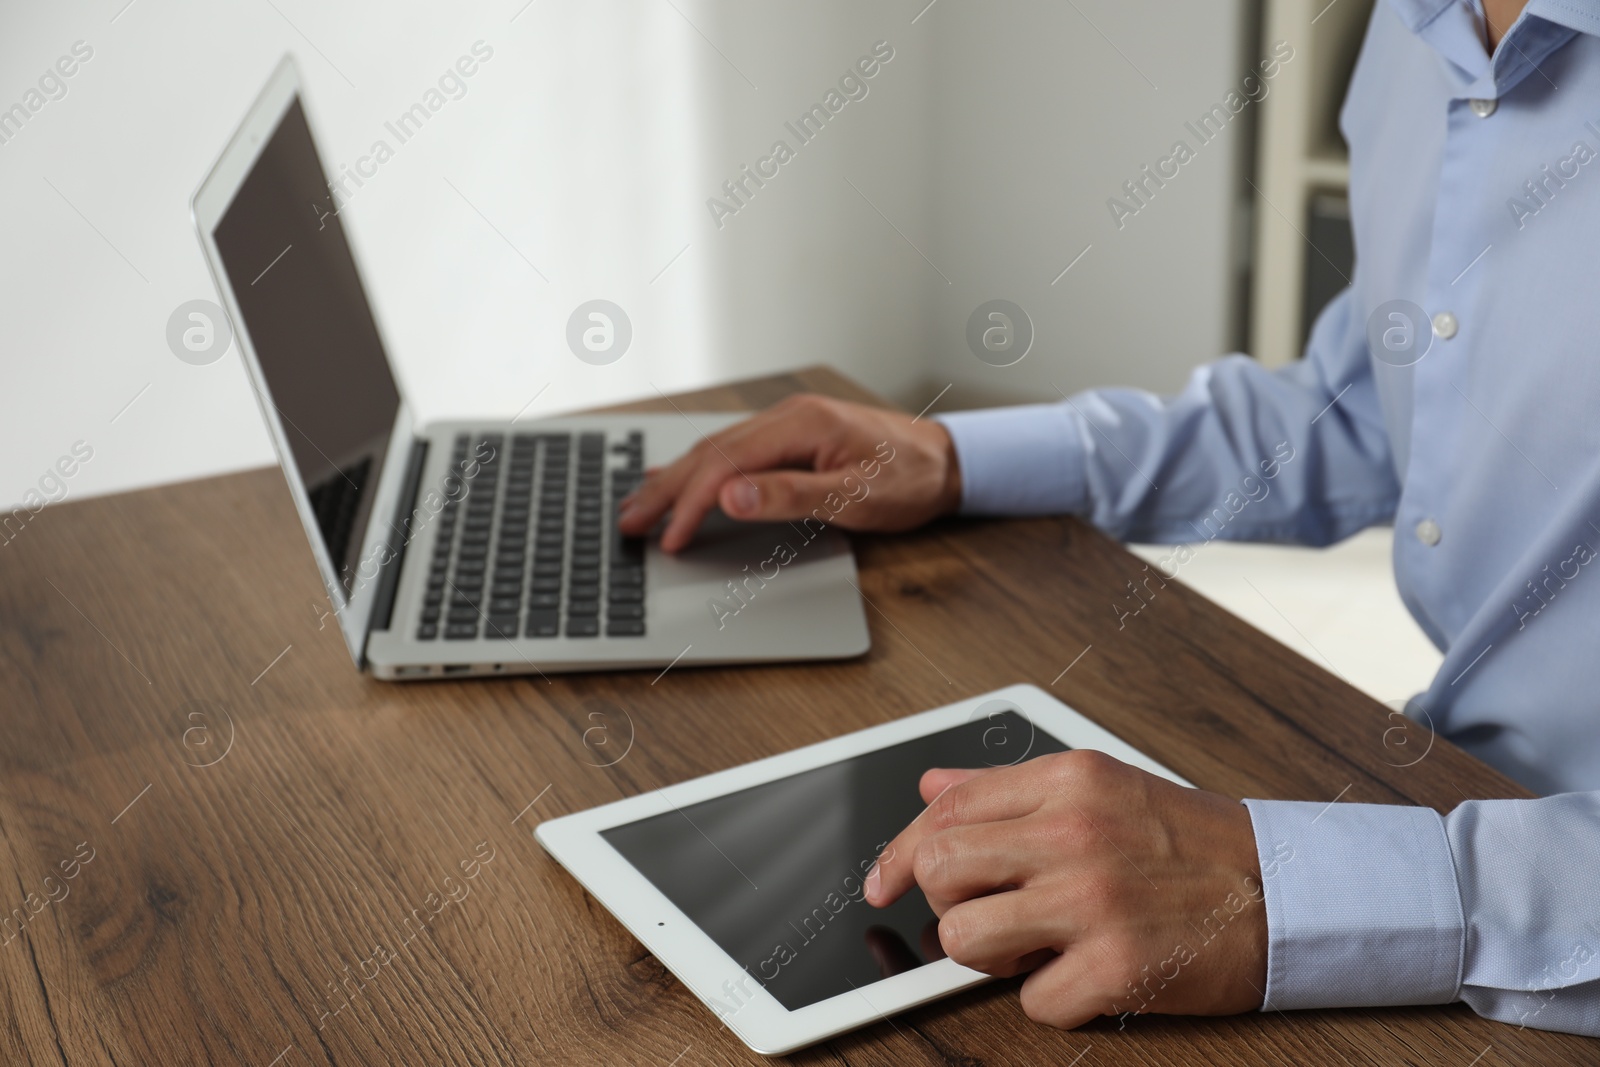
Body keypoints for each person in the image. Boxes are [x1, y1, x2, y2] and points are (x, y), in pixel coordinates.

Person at [619, 0, 1600, 1038]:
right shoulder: (1415, 28)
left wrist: (1285, 890)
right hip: (1458, 793)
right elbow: (1363, 403)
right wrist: (955, 457)